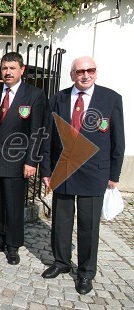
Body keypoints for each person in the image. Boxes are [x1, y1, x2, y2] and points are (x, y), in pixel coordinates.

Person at [40, 56, 124, 295]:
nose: (85, 75)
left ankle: (86, 272)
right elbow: (47, 137)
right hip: (64, 169)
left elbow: (118, 139)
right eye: (80, 71)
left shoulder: (111, 99)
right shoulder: (58, 99)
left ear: (96, 72)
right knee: (61, 222)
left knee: (88, 226)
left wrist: (114, 174)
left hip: (95, 173)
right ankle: (61, 262)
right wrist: (46, 170)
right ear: (72, 75)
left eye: (90, 70)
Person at [0, 52, 45, 265]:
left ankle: (13, 245)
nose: (7, 72)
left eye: (12, 68)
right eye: (4, 68)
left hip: (18, 162)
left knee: (14, 206)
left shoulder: (34, 95)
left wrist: (32, 161)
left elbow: (37, 131)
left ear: (22, 70)